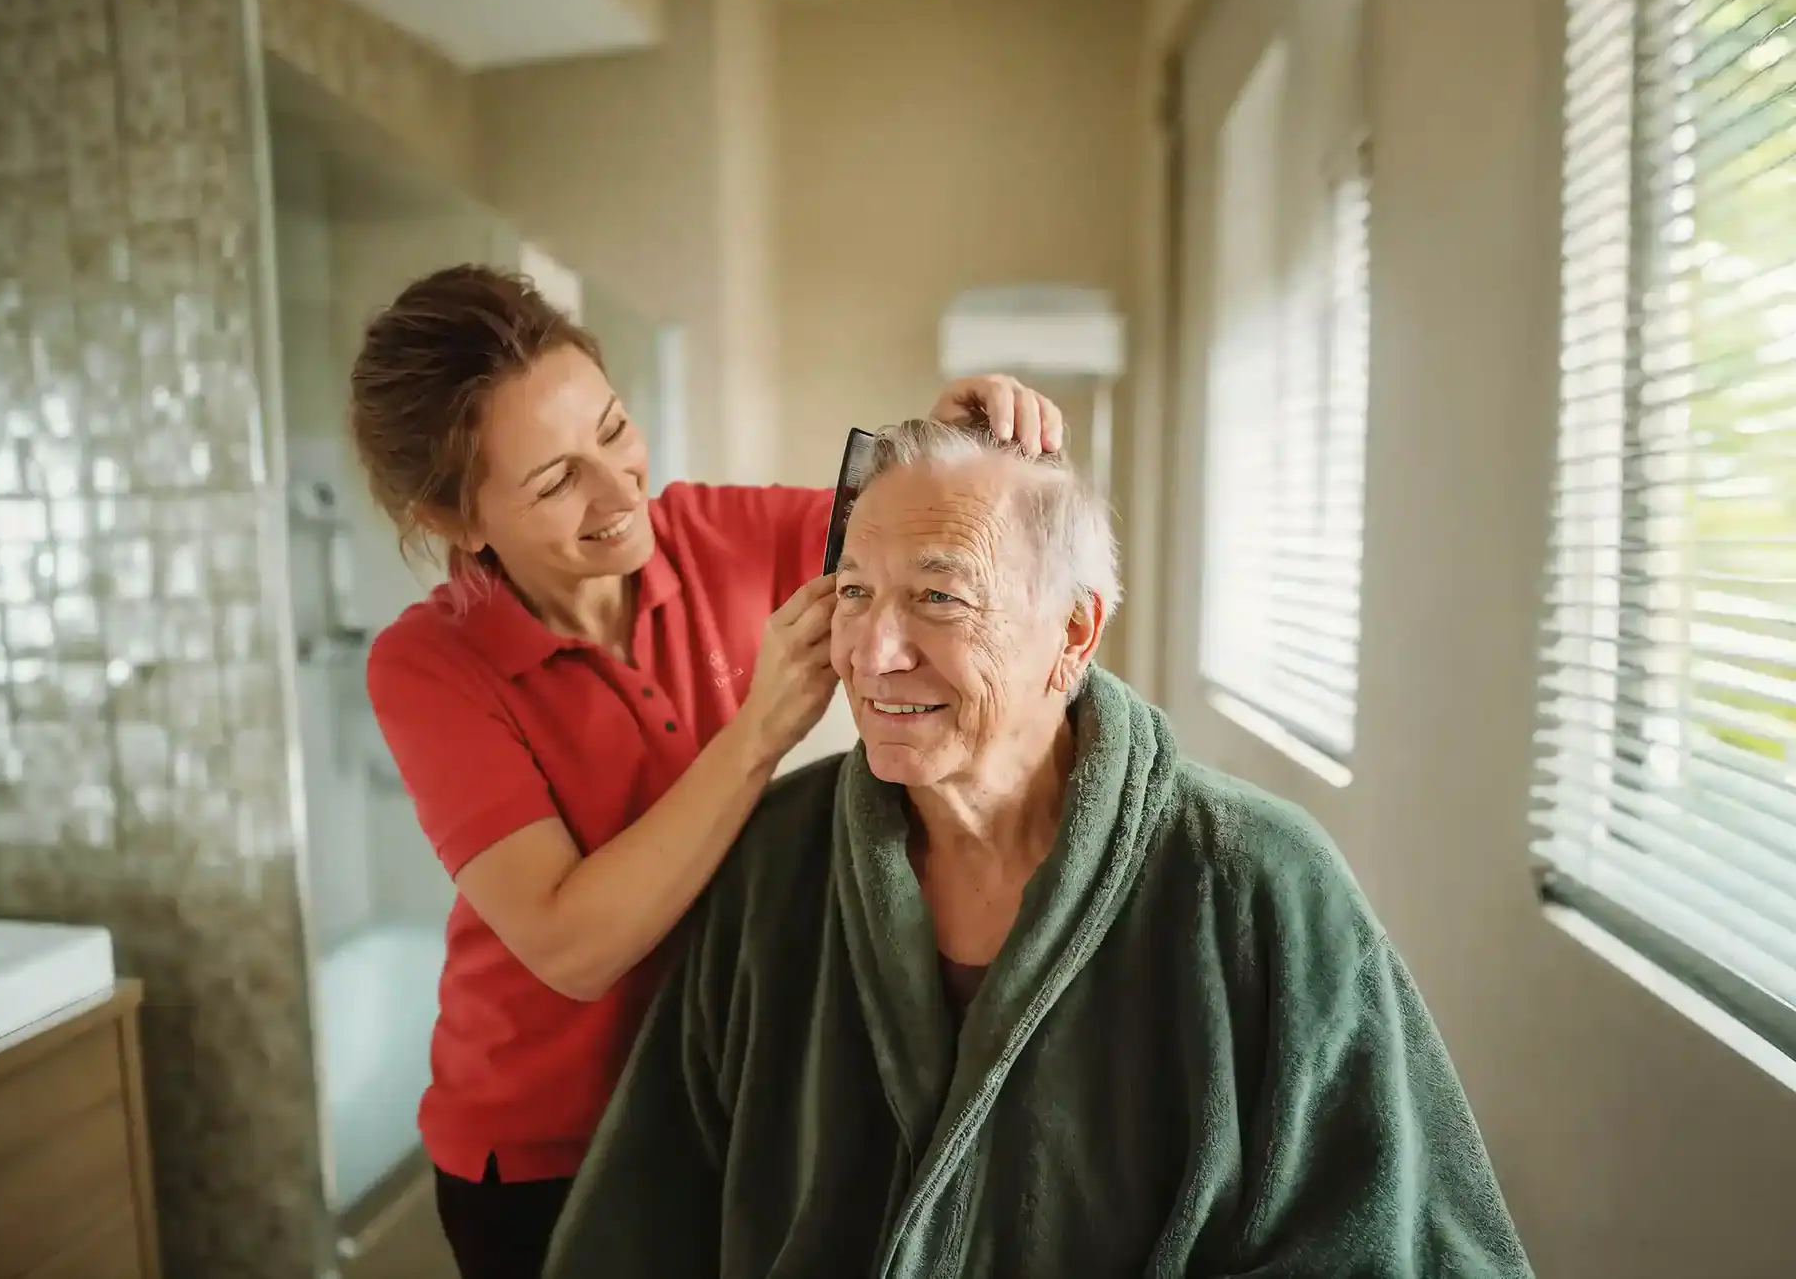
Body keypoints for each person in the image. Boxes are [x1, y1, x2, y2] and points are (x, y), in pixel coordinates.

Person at [543, 417, 1535, 1279]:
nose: (876, 650)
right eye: (853, 591)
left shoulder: (1255, 880)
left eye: (937, 598)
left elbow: (1386, 1239)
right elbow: (646, 1214)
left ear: (1072, 631)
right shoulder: (776, 860)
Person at [349, 264, 1065, 1279]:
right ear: (454, 521)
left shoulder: (715, 534)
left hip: (720, 1099)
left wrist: (943, 443)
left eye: (610, 428)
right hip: (546, 1146)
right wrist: (758, 731)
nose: (617, 489)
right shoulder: (428, 663)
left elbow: (893, 534)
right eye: (554, 480)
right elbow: (569, 942)